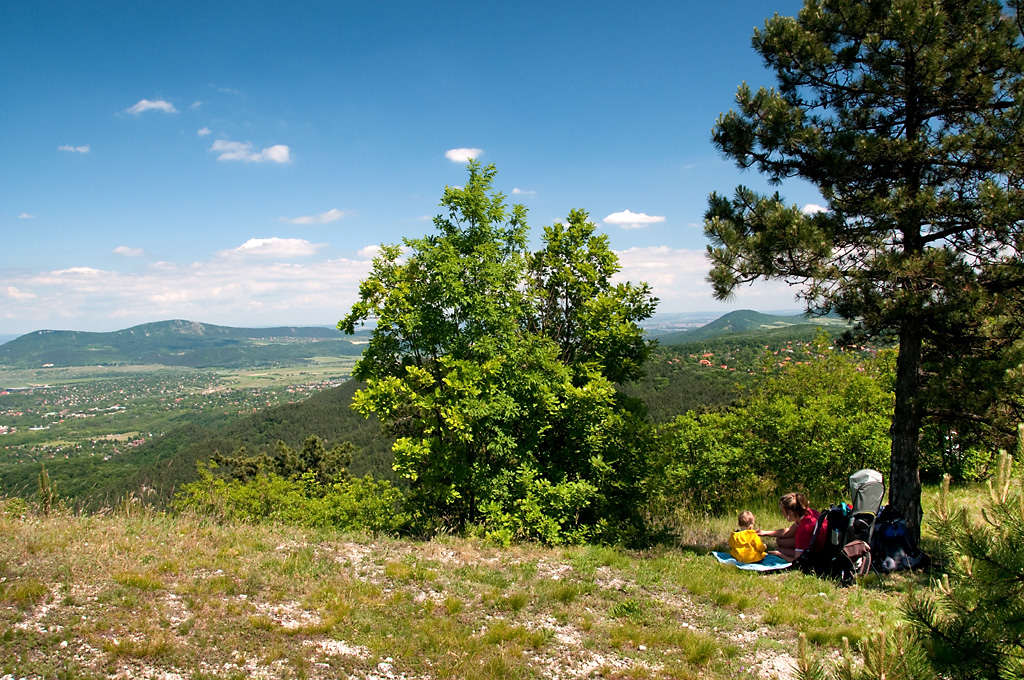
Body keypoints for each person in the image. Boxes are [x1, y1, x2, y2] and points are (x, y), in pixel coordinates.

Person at [758, 492, 825, 563]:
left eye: (783, 511)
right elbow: (789, 532)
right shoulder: (808, 512)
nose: (782, 514)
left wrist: (779, 554)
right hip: (820, 543)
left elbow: (797, 561)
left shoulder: (803, 529)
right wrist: (764, 533)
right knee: (780, 541)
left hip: (818, 553)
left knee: (780, 549)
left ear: (790, 512)